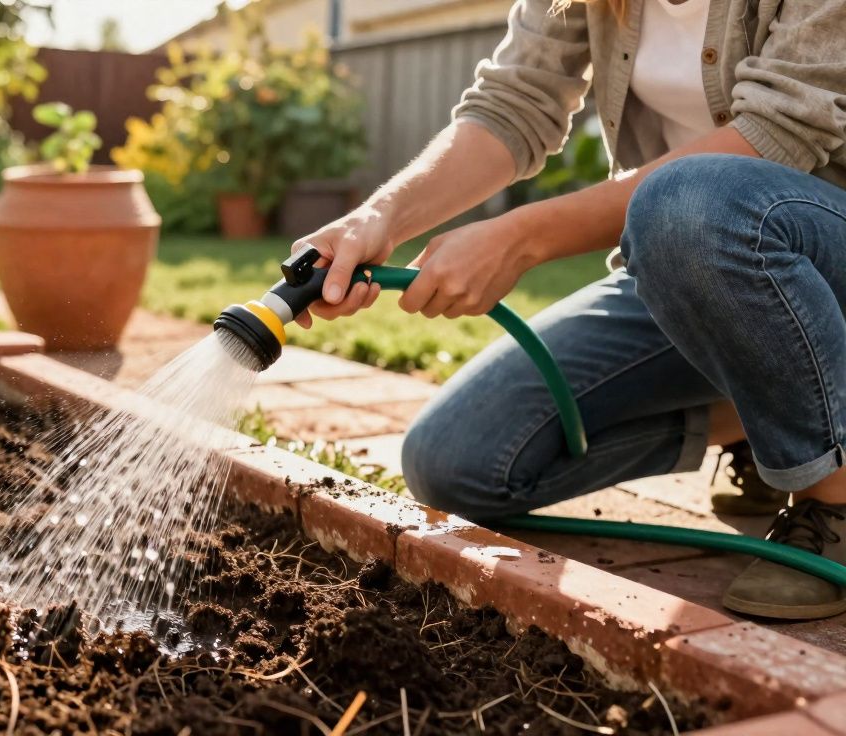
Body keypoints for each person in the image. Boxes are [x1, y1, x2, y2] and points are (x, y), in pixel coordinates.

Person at [294, 0, 846, 621]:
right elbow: (514, 102)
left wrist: (521, 238)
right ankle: (772, 414)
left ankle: (834, 497)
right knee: (459, 460)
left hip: (805, 248)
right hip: (692, 265)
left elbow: (779, 132)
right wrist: (380, 218)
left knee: (686, 200)